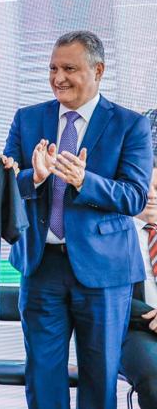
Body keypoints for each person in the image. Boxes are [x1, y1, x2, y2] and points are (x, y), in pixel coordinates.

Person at [4, 31, 153, 409]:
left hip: (105, 272)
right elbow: (5, 186)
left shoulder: (130, 125)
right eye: (53, 69)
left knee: (99, 378)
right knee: (42, 376)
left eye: (69, 69)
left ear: (98, 70)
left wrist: (85, 181)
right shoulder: (27, 119)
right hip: (41, 266)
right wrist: (34, 177)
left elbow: (135, 197)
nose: (58, 78)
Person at [121, 154, 157, 409]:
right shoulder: (114, 234)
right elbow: (105, 293)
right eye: (146, 187)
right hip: (136, 330)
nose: (152, 195)